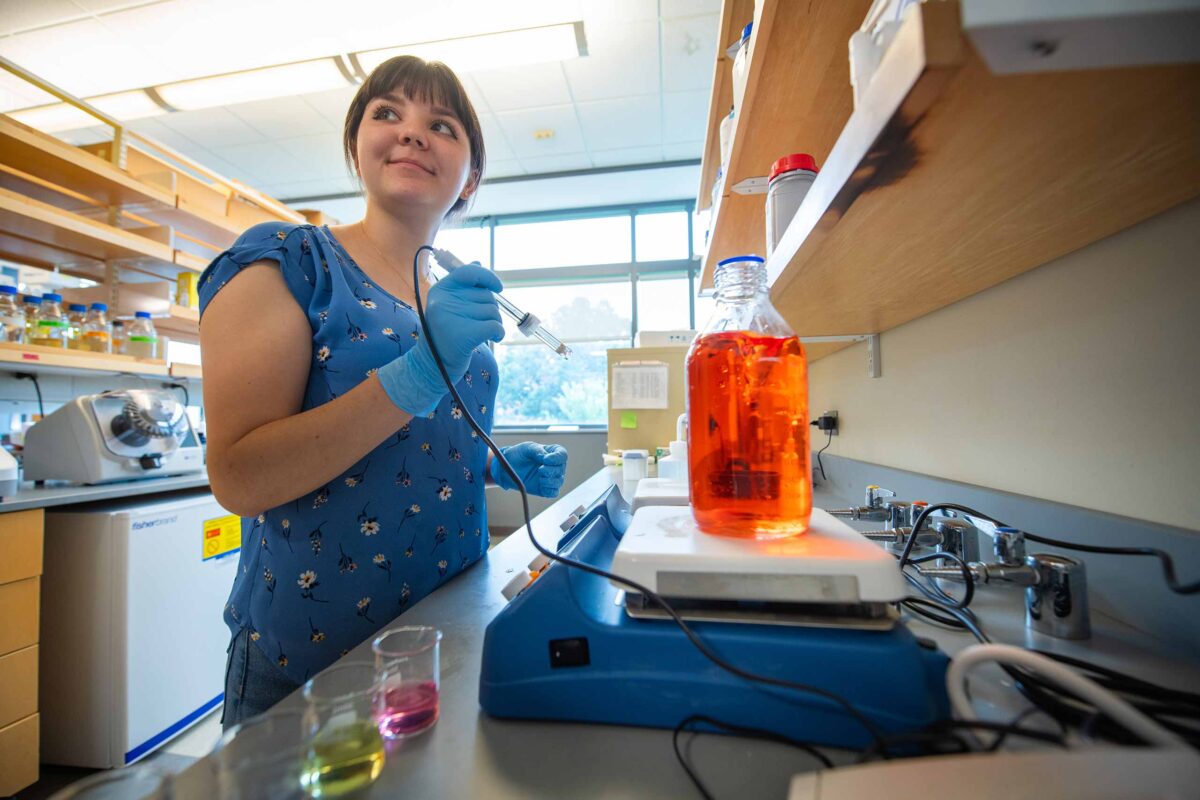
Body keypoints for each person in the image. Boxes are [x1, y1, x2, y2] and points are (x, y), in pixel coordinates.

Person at [199, 56, 568, 728]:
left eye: (443, 125)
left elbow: (403, 440)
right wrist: (421, 372)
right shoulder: (292, 261)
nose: (413, 133)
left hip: (444, 636)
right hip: (309, 658)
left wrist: (491, 461)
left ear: (471, 177)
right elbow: (239, 476)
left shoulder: (454, 302)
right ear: (356, 145)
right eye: (388, 113)